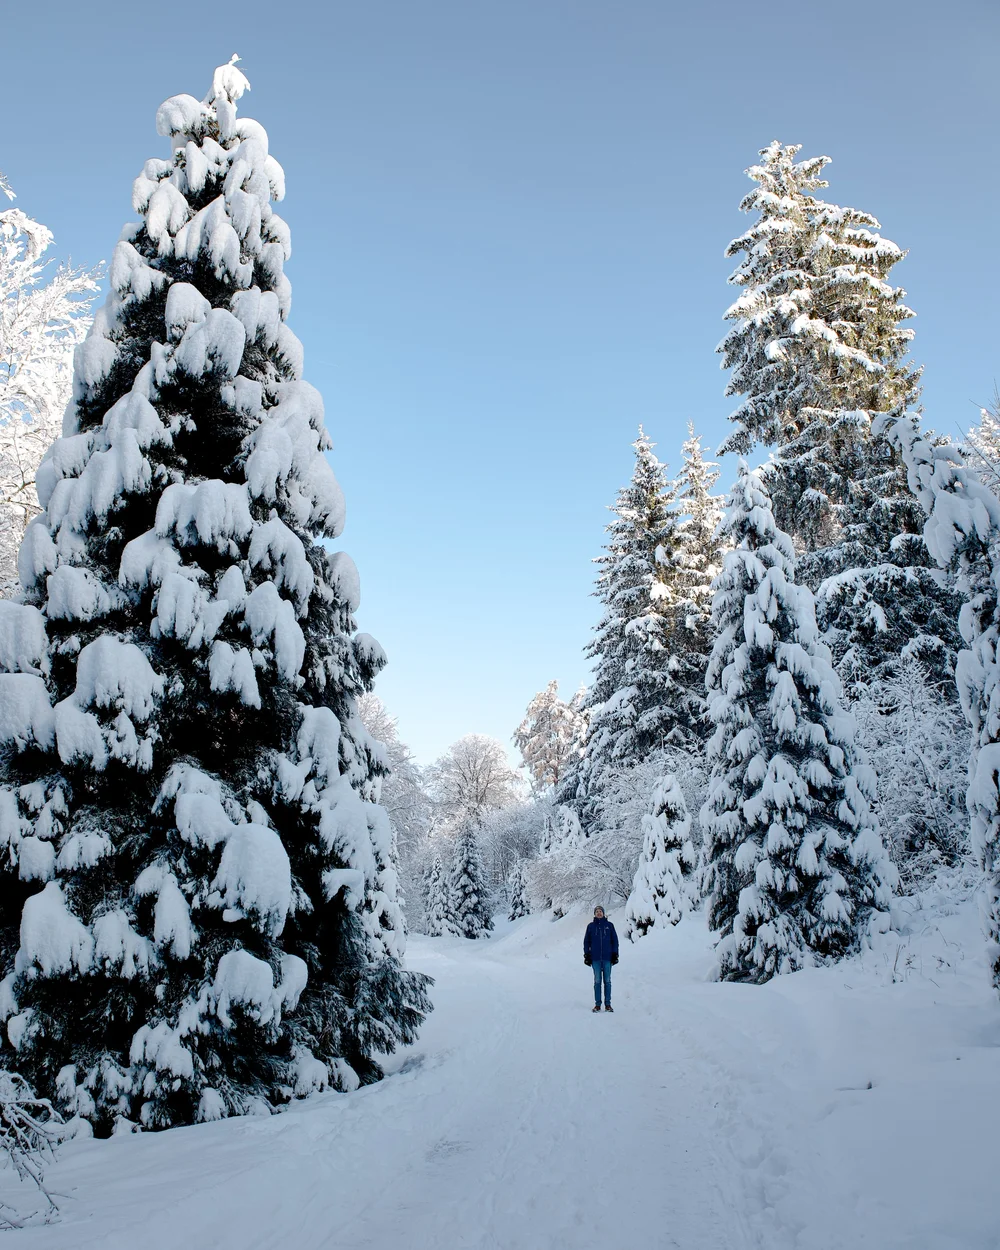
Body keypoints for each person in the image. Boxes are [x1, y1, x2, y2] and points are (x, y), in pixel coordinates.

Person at [583, 905, 619, 1012]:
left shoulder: (609, 925)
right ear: (594, 914)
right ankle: (597, 1004)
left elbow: (615, 941)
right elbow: (586, 942)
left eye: (600, 911)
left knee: (607, 981)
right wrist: (587, 954)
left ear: (604, 913)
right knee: (597, 981)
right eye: (597, 911)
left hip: (607, 958)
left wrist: (615, 954)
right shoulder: (590, 926)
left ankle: (608, 1004)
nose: (599, 913)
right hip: (595, 958)